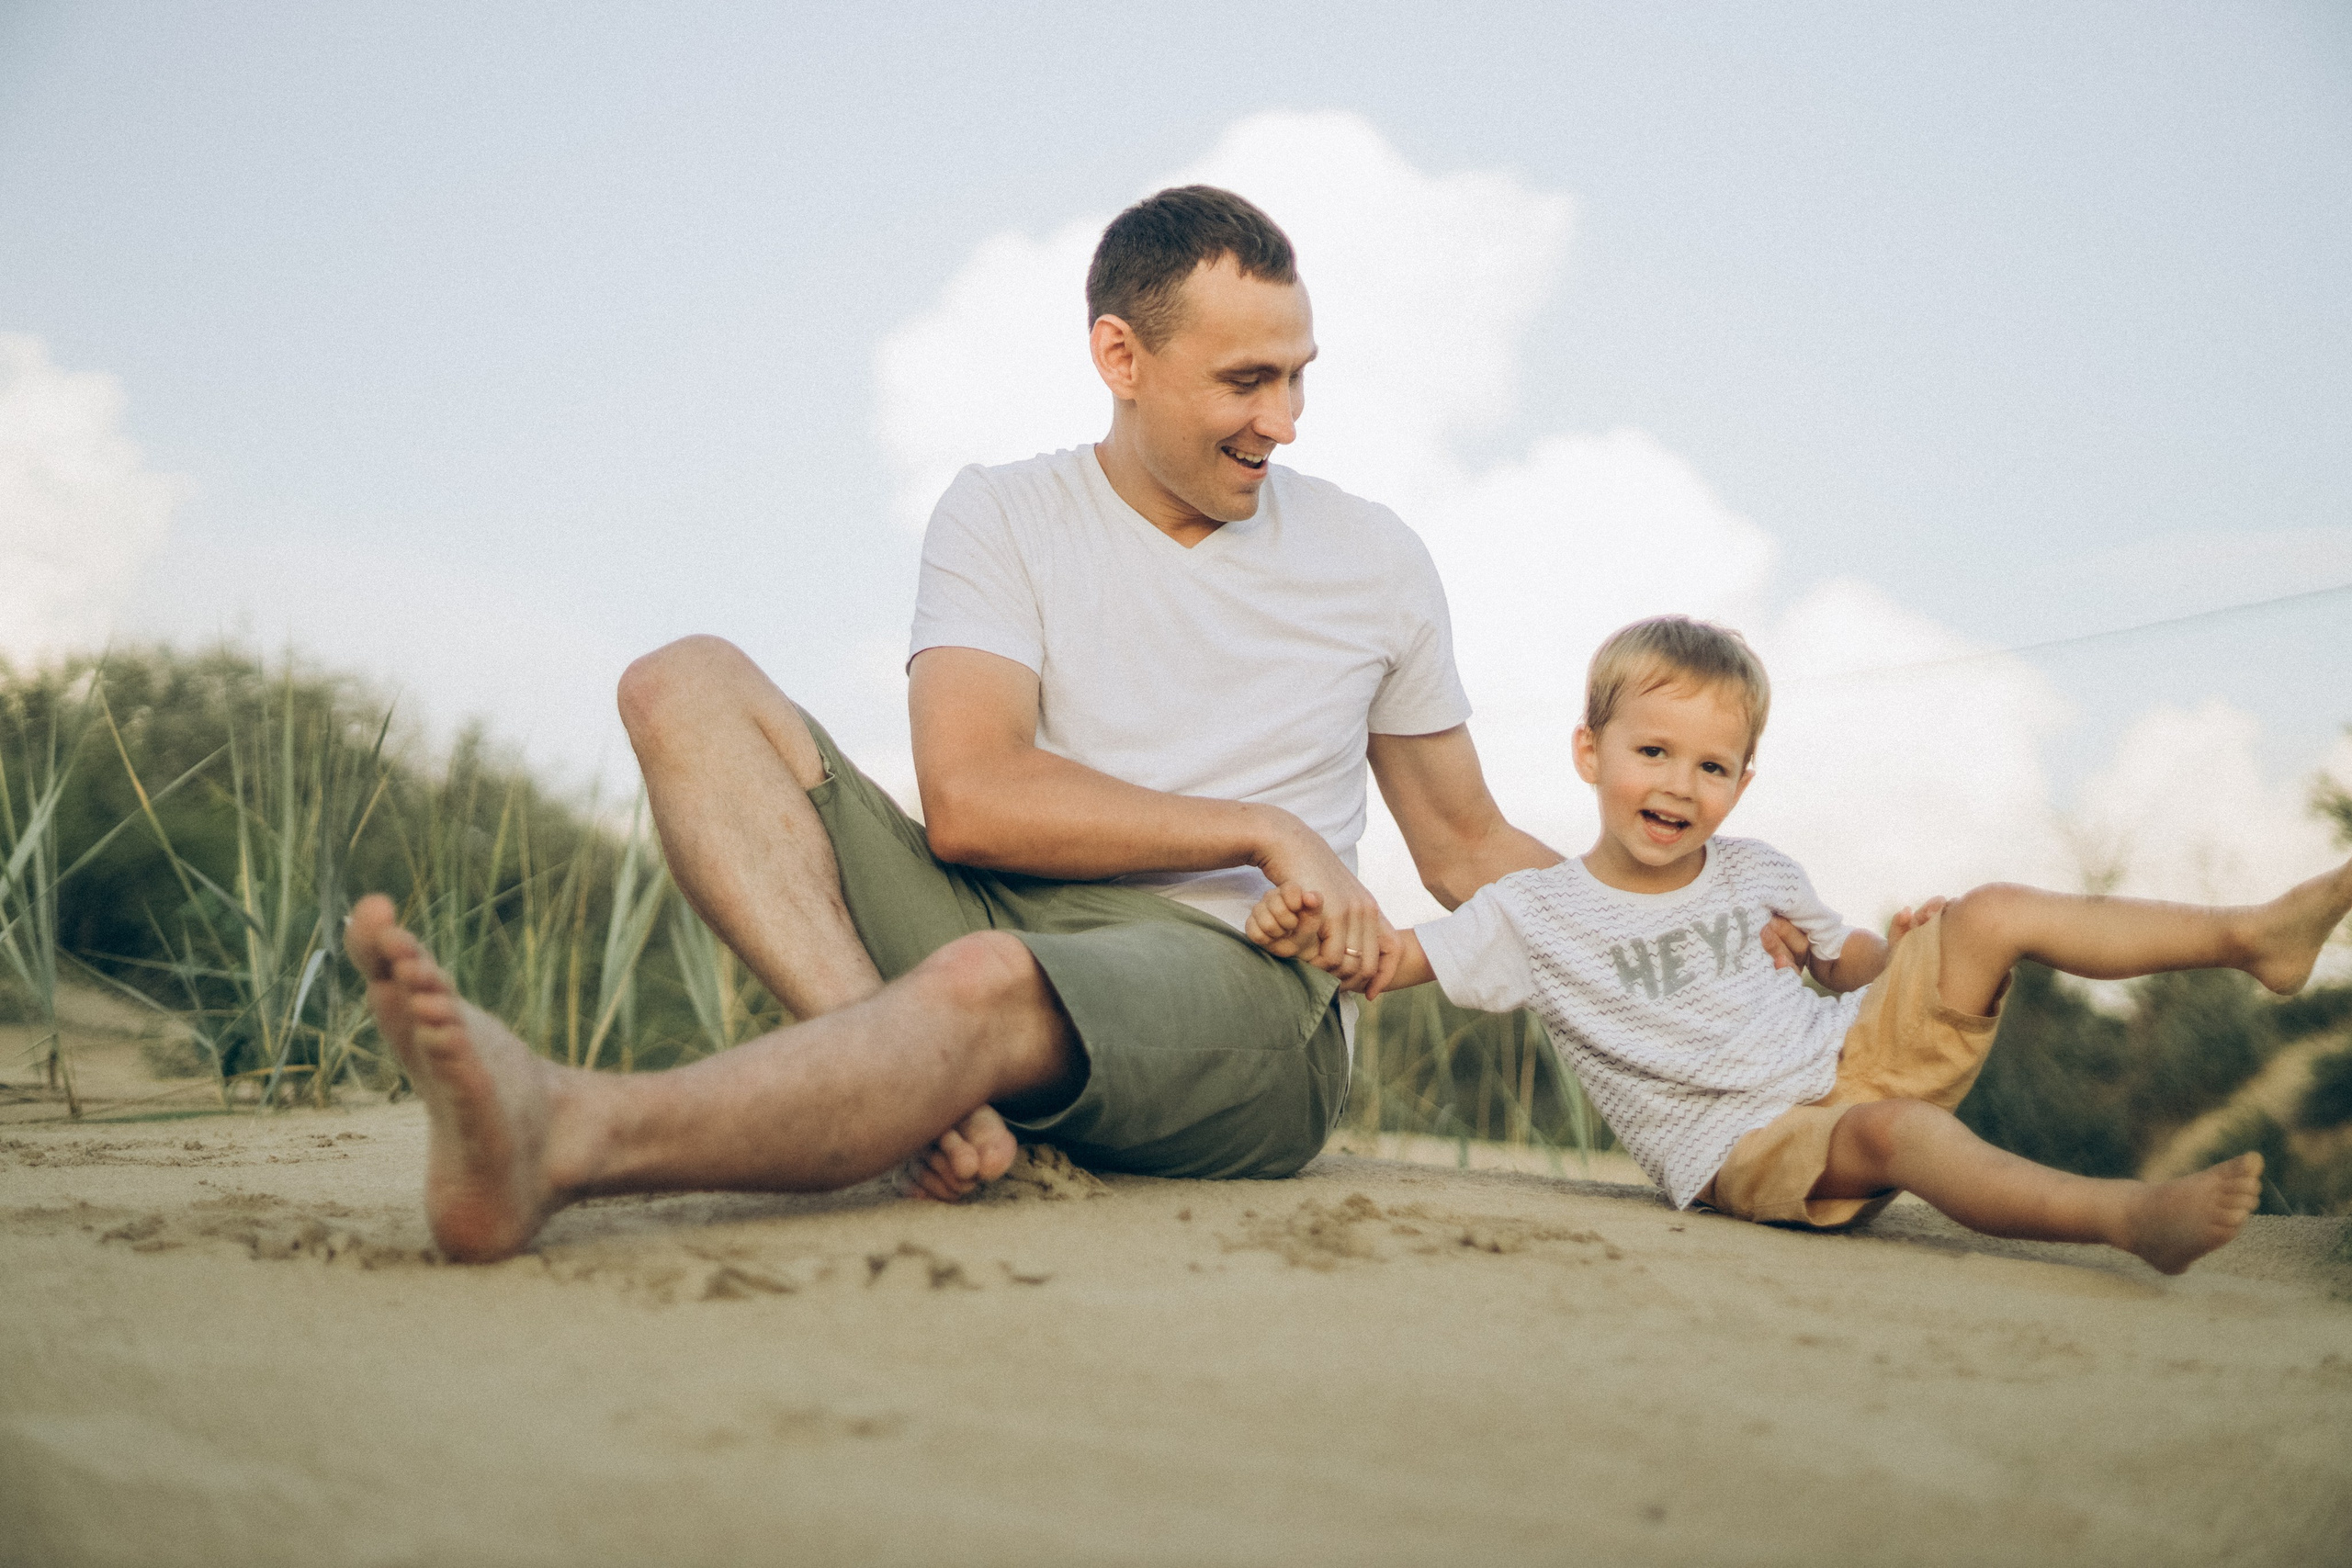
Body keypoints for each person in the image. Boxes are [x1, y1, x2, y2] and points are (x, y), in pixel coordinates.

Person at [347, 185, 1564, 1263]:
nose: (1285, 418)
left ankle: (562, 1135)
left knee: (983, 978)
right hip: (1003, 910)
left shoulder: (1375, 559)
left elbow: (1463, 847)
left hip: (1248, 990)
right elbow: (973, 799)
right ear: (1121, 355)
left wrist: (1710, 906)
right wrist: (1260, 822)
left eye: (1299, 372)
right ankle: (904, 1094)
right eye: (1246, 380)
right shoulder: (1002, 511)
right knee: (682, 683)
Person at [1243, 615, 2348, 1274]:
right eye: (1653, 751)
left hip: (1851, 1049)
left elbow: (1852, 964)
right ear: (1590, 753)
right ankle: (2124, 1215)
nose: (1678, 784)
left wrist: (1906, 949)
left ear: (1741, 782)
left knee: (1995, 909)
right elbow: (1391, 961)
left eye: (1711, 766)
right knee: (1899, 1132)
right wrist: (1314, 925)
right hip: (1747, 1144)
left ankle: (2254, 937)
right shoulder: (1535, 913)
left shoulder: (1759, 869)